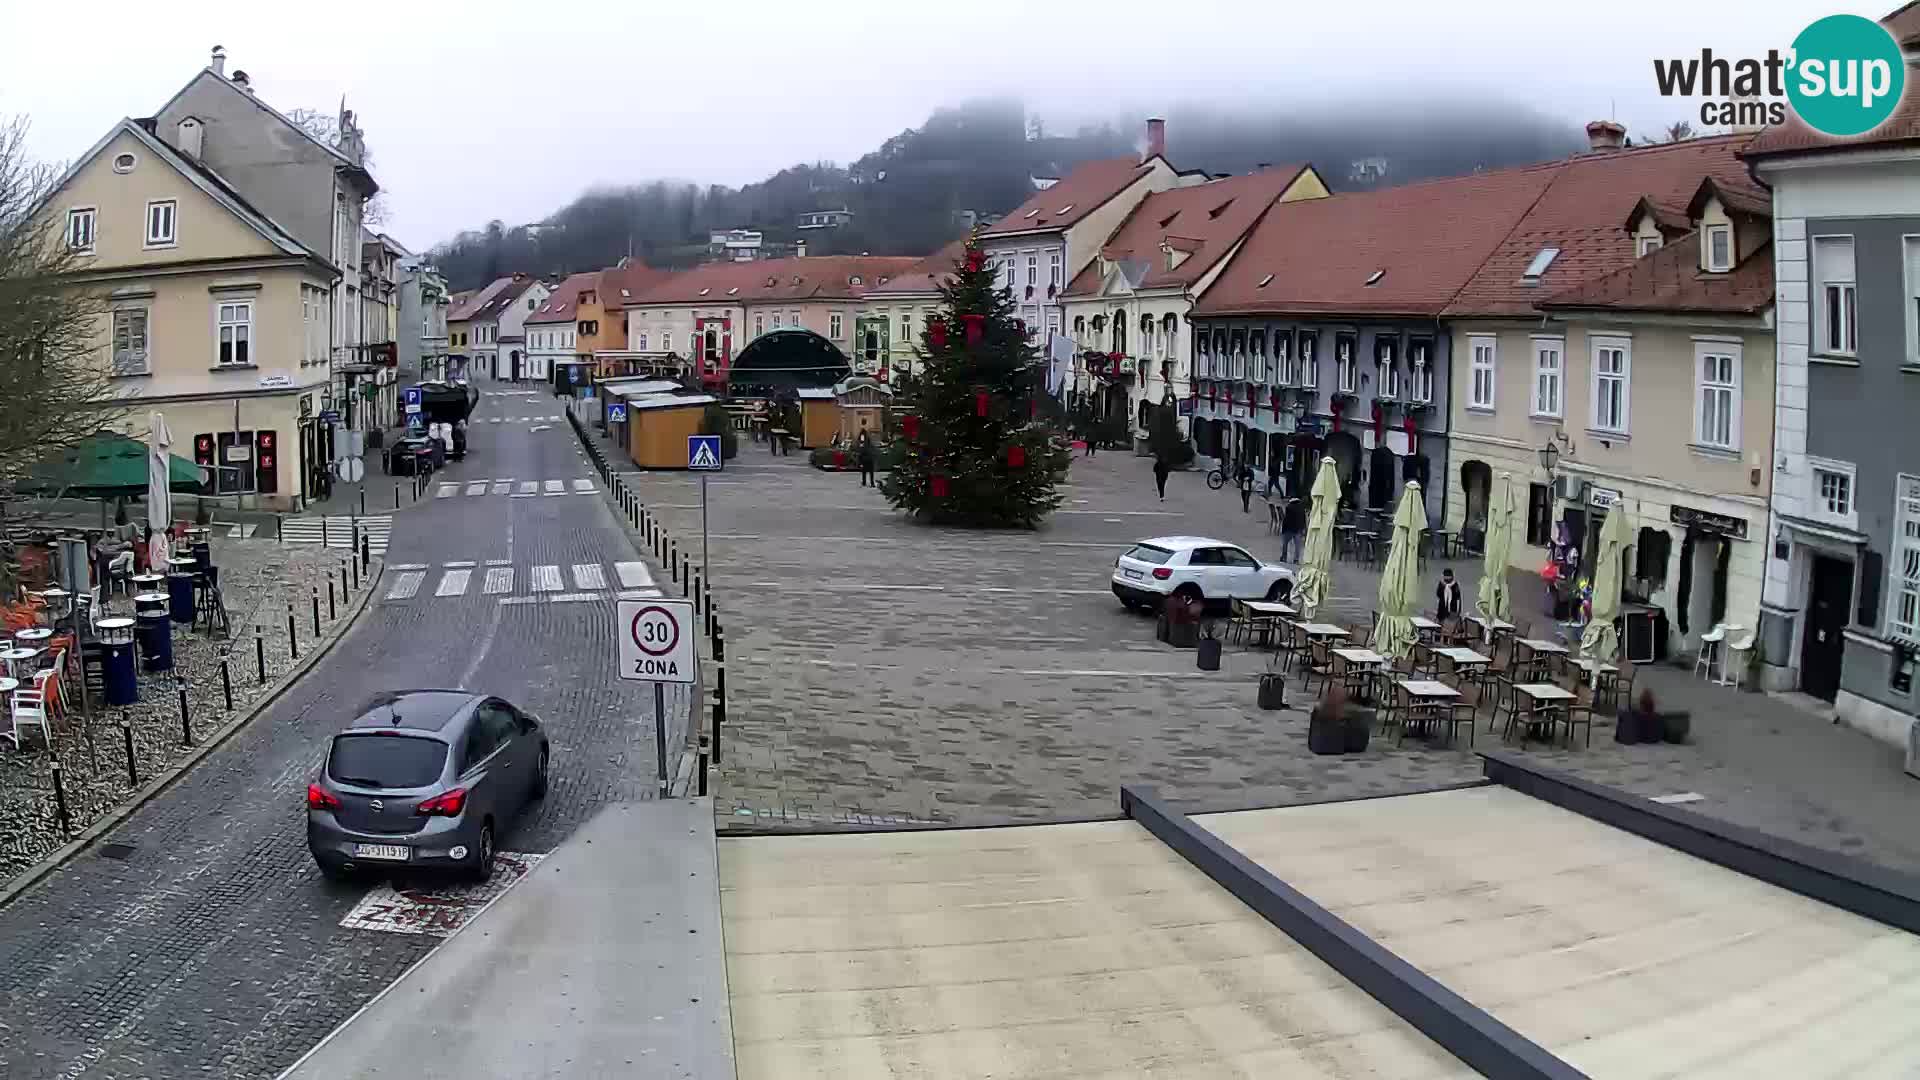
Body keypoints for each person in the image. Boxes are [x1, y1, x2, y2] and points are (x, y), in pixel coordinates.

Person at [1280, 497, 1307, 563]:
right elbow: (1304, 519)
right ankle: (1296, 559)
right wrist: (1304, 528)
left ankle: (1284, 557)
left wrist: (1283, 529)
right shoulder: (1302, 508)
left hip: (1289, 529)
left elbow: (1286, 519)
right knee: (1297, 546)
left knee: (1285, 543)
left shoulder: (1288, 507)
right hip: (1298, 529)